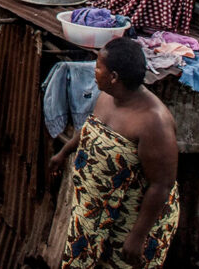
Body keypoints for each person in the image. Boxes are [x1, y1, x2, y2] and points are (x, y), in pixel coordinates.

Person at [51, 37, 179, 269]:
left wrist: (137, 237)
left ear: (114, 77)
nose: (94, 70)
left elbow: (162, 185)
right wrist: (64, 152)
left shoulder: (154, 122)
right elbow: (92, 127)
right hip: (95, 212)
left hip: (133, 221)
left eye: (99, 66)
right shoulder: (108, 96)